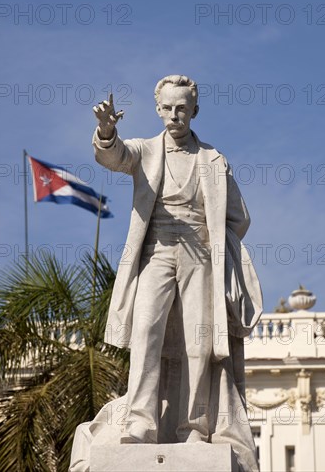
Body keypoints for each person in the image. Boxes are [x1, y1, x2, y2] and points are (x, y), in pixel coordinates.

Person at [92, 75, 262, 470]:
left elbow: (239, 217)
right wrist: (105, 131)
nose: (174, 115)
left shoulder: (214, 160)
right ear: (157, 110)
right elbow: (114, 155)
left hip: (201, 257)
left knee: (198, 343)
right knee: (146, 333)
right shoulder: (146, 150)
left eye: (182, 108)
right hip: (156, 253)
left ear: (194, 111)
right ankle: (140, 422)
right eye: (168, 108)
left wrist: (216, 245)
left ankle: (195, 427)